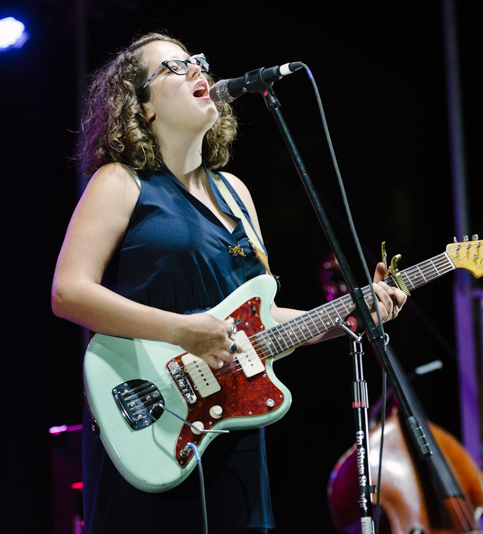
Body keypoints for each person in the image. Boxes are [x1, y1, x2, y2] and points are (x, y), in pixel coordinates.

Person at [51, 32, 408, 534]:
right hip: (152, 420)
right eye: (176, 68)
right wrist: (183, 331)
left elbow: (266, 316)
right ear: (144, 107)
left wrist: (349, 314)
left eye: (197, 61)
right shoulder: (120, 182)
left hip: (232, 426)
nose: (199, 70)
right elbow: (69, 291)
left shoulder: (236, 193)